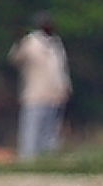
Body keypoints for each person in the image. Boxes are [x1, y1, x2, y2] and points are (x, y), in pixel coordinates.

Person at [9, 12, 71, 159]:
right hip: (35, 95)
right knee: (32, 130)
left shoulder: (56, 43)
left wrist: (65, 88)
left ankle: (47, 159)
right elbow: (16, 58)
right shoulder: (31, 42)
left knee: (50, 133)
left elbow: (61, 69)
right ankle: (28, 159)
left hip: (55, 95)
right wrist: (19, 42)